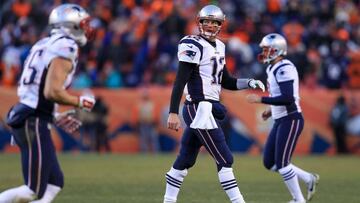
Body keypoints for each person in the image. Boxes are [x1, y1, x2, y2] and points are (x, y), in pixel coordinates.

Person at [163, 5, 265, 203]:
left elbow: (226, 81)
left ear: (220, 24)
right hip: (199, 108)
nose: (210, 25)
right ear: (199, 22)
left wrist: (249, 82)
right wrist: (173, 112)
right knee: (225, 159)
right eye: (206, 21)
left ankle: (168, 201)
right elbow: (180, 80)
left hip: (209, 107)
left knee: (185, 160)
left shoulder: (220, 46)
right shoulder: (192, 44)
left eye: (214, 22)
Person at [0, 4, 96, 203]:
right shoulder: (66, 46)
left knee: (54, 183)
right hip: (32, 119)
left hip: (31, 115)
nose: (87, 28)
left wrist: (53, 115)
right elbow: (51, 91)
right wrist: (80, 102)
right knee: (32, 190)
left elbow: (35, 89)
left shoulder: (44, 43)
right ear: (70, 25)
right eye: (83, 24)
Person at [246, 33, 319, 203]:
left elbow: (288, 98)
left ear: (278, 50)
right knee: (269, 162)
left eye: (267, 49)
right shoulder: (271, 67)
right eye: (263, 49)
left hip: (291, 118)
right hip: (280, 119)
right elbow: (279, 95)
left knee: (283, 163)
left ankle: (298, 200)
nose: (264, 53)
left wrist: (260, 99)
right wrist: (270, 110)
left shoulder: (285, 67)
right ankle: (309, 178)